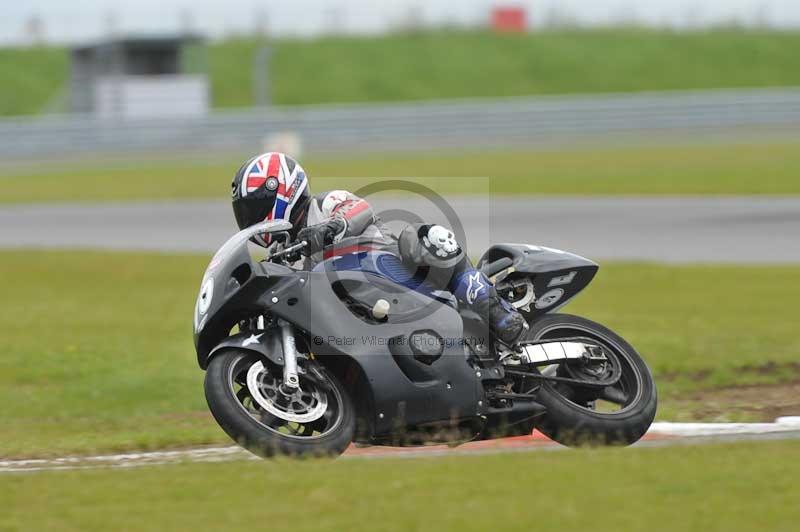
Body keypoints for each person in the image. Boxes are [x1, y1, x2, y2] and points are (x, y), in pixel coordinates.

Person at [231, 152, 526, 345]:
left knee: (423, 237)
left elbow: (358, 208)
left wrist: (332, 227)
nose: (252, 220)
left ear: (283, 190)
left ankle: (496, 311)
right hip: (356, 314)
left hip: (386, 266)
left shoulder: (324, 204)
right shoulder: (281, 253)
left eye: (255, 209)